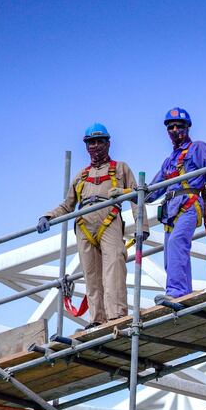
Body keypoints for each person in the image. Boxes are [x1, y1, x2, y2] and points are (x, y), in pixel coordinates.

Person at [37, 123, 147, 328]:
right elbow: (68, 204)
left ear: (108, 143)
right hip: (85, 223)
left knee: (114, 267)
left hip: (109, 218)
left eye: (99, 142)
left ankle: (116, 315)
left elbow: (136, 195)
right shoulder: (81, 175)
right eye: (91, 142)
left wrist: (143, 226)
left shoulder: (120, 168)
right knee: (91, 274)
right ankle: (97, 319)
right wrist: (48, 216)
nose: (95, 146)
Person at [149, 107, 206, 302]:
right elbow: (152, 192)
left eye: (179, 126)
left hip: (189, 205)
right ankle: (183, 292)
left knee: (177, 243)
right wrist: (129, 193)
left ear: (187, 127)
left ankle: (176, 292)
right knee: (171, 253)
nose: (175, 130)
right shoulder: (169, 162)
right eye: (171, 127)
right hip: (171, 211)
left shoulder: (198, 148)